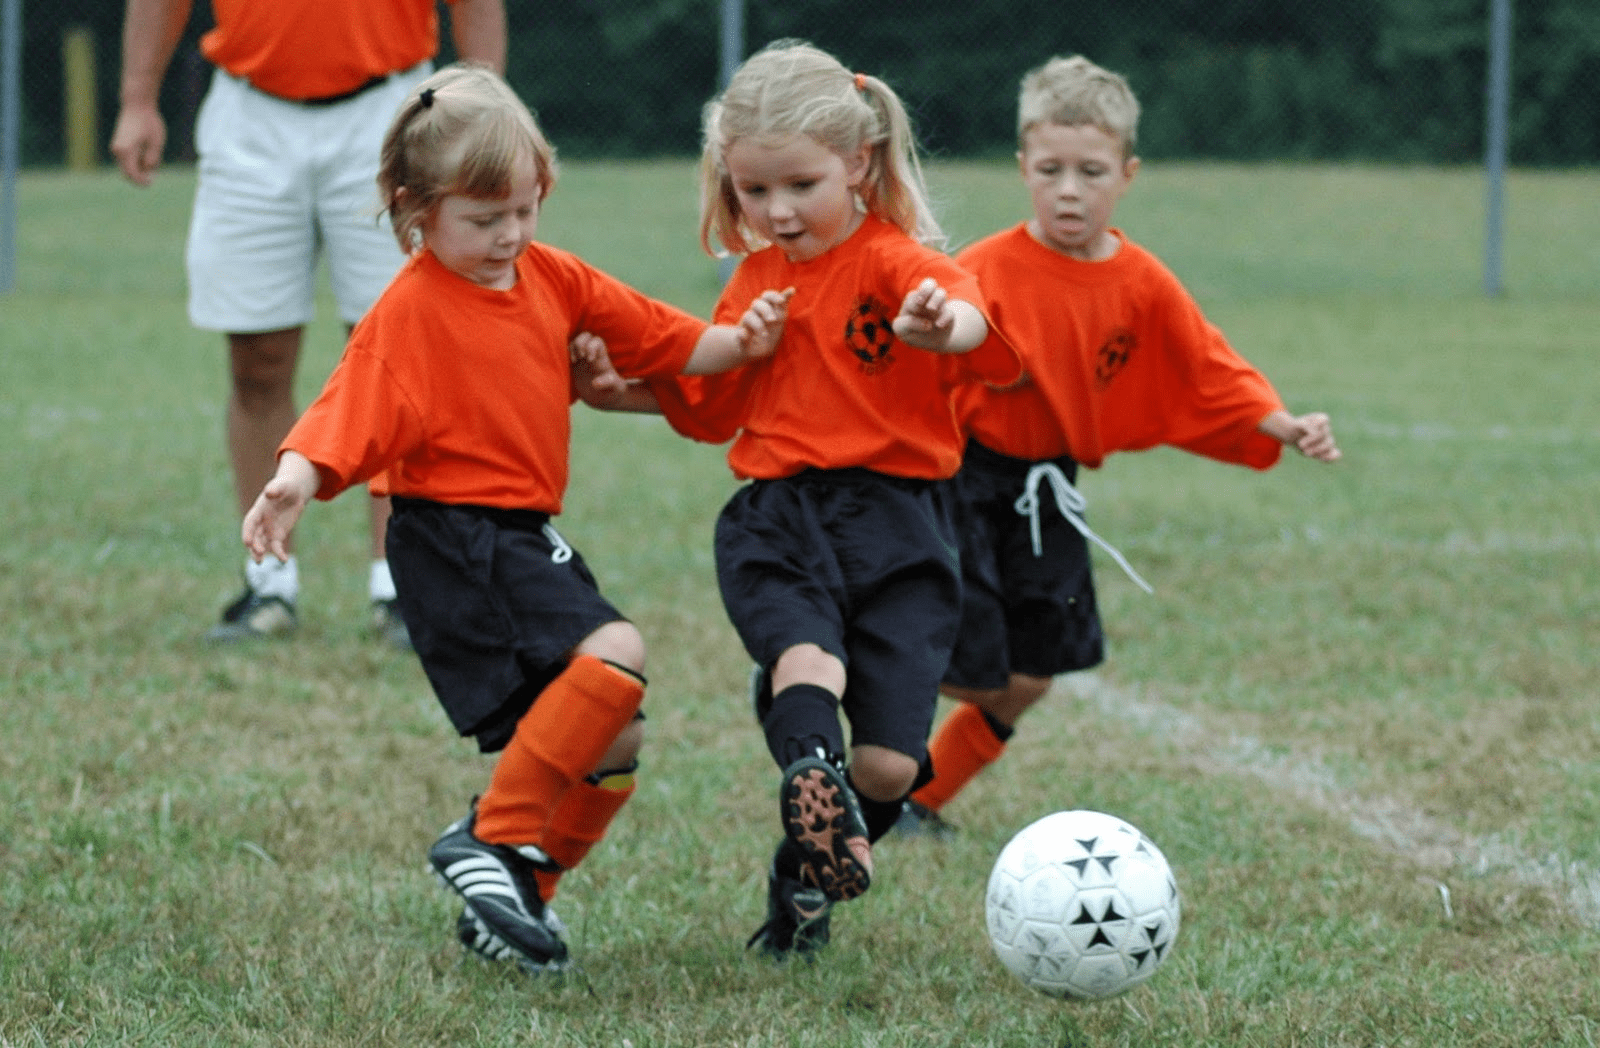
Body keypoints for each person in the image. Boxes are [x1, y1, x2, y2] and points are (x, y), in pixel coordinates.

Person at [238, 64, 791, 972]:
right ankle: (488, 840)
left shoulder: (551, 275)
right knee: (619, 653)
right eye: (482, 219)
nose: (509, 237)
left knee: (616, 737)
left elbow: (665, 337)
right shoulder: (409, 310)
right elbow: (347, 406)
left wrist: (746, 341)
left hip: (521, 535)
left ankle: (518, 902)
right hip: (452, 538)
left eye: (524, 211)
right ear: (415, 210)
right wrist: (296, 476)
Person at [581, 40, 1021, 959]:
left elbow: (976, 318)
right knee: (810, 657)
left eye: (800, 186)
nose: (776, 211)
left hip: (904, 529)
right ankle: (808, 757)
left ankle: (806, 867)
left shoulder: (898, 264)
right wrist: (615, 389)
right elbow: (710, 400)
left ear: (858, 163)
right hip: (779, 516)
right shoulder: (754, 282)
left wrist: (948, 327)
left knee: (892, 766)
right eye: (753, 191)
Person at [894, 54, 1342, 836]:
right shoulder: (983, 269)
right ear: (1023, 167)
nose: (1070, 189)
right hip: (960, 479)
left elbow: (1206, 364)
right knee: (963, 665)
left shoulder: (1142, 280)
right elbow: (910, 367)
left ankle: (917, 803)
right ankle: (840, 688)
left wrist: (1282, 422)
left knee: (1030, 676)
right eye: (1051, 169)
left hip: (1047, 490)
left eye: (1091, 171)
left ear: (1127, 173)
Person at [110, 0, 507, 645]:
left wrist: (483, 104)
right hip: (250, 113)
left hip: (395, 105)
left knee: (400, 356)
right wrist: (137, 99)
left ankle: (400, 584)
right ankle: (269, 582)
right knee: (257, 358)